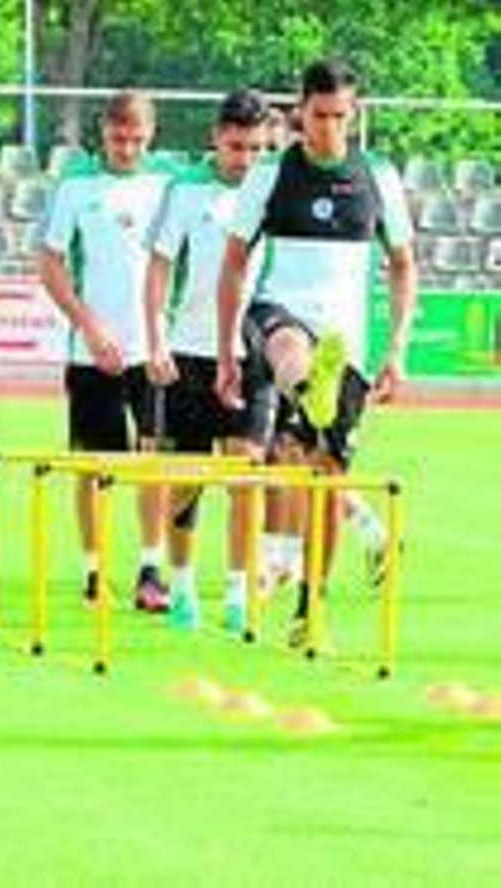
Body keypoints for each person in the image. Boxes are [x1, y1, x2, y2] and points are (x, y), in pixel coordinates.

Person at [215, 58, 418, 649]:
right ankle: (310, 389)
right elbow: (233, 263)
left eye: (340, 117)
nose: (329, 128)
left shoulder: (378, 176)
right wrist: (229, 348)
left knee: (326, 477)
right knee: (289, 347)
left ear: (354, 115)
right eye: (319, 115)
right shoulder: (270, 175)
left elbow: (404, 266)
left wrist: (398, 347)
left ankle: (311, 611)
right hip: (278, 311)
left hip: (347, 337)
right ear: (299, 110)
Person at [38, 90, 176, 611]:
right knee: (94, 463)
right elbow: (51, 264)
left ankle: (150, 568)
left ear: (152, 134)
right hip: (92, 351)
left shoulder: (168, 183)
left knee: (154, 460)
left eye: (137, 139)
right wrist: (89, 327)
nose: (127, 148)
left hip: (152, 349)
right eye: (119, 138)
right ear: (103, 132)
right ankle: (94, 572)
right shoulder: (76, 184)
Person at [144, 89, 273, 633]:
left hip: (253, 348)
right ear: (216, 137)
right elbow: (158, 267)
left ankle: (240, 591)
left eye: (254, 148)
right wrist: (154, 339)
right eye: (235, 146)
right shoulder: (187, 191)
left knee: (246, 471)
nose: (243, 159)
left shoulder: (272, 189)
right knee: (187, 475)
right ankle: (184, 586)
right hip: (189, 351)